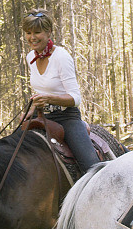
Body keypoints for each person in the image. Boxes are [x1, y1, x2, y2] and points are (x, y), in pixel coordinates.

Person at [21, 9, 98, 174]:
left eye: (37, 32)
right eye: (28, 33)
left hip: (66, 118)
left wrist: (49, 98)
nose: (32, 37)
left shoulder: (61, 57)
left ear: (48, 32)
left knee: (91, 167)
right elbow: (39, 90)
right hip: (40, 116)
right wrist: (32, 109)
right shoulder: (30, 57)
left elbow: (75, 98)